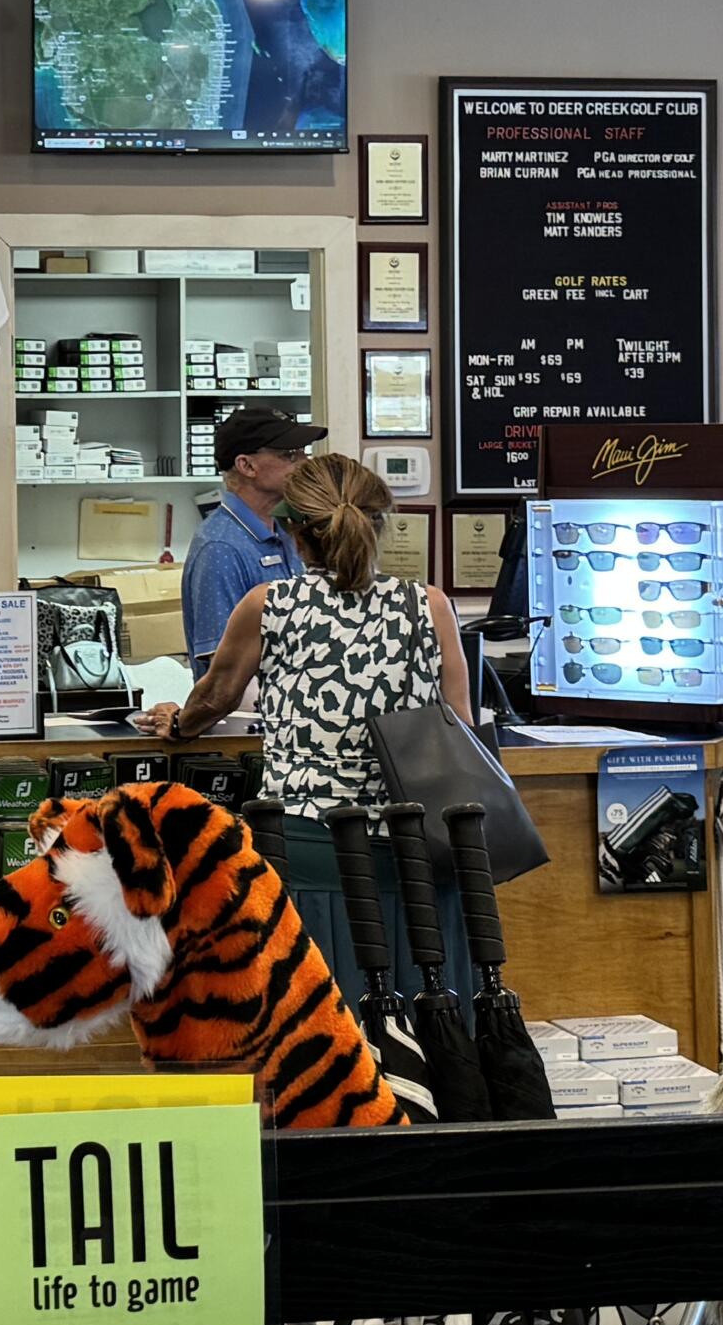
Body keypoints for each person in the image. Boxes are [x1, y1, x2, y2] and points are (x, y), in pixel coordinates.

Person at [142, 452, 475, 999]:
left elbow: (217, 695)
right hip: (413, 845)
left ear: (294, 533)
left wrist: (180, 724)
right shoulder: (429, 606)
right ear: (380, 526)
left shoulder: (269, 605)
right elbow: (459, 726)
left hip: (308, 842)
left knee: (315, 1024)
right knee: (425, 1020)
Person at [180, 406, 322, 679]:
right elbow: (224, 668)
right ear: (246, 465)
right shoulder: (220, 547)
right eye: (290, 455)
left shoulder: (284, 531)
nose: (304, 463)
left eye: (304, 453)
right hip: (249, 717)